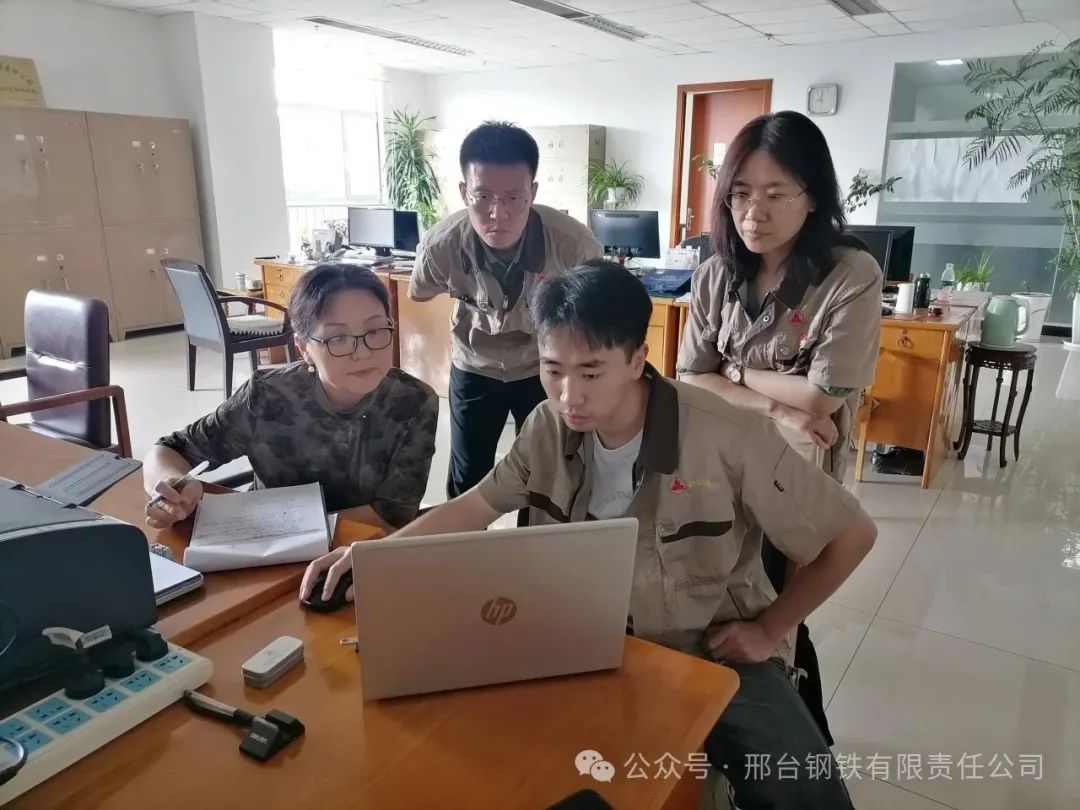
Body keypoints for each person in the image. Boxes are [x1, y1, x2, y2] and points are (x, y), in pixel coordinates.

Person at [302, 262, 875, 810]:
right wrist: (374, 553)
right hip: (573, 634)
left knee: (801, 785)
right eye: (552, 370)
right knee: (465, 746)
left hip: (704, 647)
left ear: (637, 359)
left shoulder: (727, 436)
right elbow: (475, 506)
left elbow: (852, 535)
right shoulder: (547, 427)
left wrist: (770, 629)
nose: (569, 395)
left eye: (591, 372)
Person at [676, 111, 882, 742]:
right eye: (740, 194)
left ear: (812, 197)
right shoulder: (717, 272)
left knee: (781, 611)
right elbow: (687, 376)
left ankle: (802, 741)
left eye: (775, 194)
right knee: (727, 594)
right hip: (718, 462)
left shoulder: (848, 275)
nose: (753, 213)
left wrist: (735, 373)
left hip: (797, 466)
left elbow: (822, 397)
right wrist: (775, 403)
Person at [143, 263, 438, 535]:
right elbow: (169, 450)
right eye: (337, 338)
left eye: (375, 331)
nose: (362, 352)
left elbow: (392, 516)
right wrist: (169, 490)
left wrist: (294, 530)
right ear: (304, 348)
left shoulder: (413, 403)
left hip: (356, 549)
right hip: (265, 545)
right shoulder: (267, 396)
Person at [409, 121, 601, 502]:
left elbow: (597, 310)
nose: (498, 214)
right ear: (464, 193)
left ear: (533, 193)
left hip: (541, 366)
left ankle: (540, 538)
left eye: (514, 198)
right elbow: (419, 291)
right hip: (474, 364)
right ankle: (466, 542)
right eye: (482, 197)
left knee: (551, 469)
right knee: (468, 474)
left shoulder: (573, 245)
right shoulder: (441, 246)